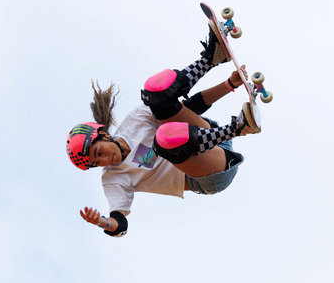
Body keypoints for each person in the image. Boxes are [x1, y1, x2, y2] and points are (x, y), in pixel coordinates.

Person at [66, 21, 260, 237]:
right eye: (97, 163)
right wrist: (102, 222)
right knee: (164, 141)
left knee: (155, 95)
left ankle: (212, 58)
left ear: (103, 134)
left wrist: (228, 85)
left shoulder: (135, 120)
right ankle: (238, 127)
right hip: (210, 174)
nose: (104, 161)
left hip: (209, 136)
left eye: (99, 152)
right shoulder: (113, 179)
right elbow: (120, 224)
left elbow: (188, 109)